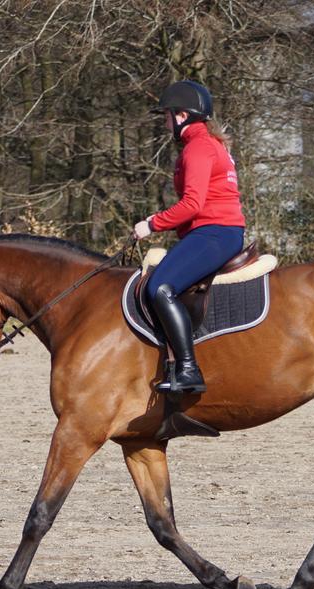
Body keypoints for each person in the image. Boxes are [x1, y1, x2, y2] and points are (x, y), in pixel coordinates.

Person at [131, 79, 246, 394]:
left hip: (215, 232)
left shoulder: (198, 148)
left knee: (160, 287)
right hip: (216, 231)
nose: (164, 122)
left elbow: (192, 204)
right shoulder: (209, 144)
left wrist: (152, 224)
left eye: (166, 116)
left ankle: (187, 370)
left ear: (181, 116)